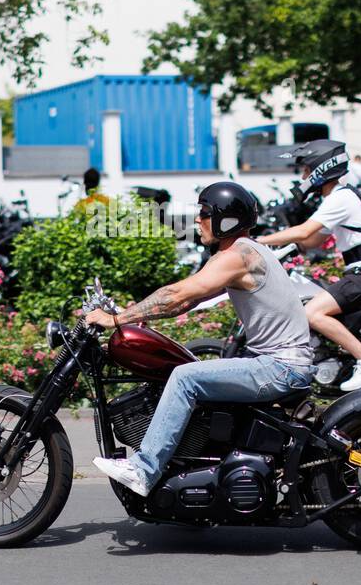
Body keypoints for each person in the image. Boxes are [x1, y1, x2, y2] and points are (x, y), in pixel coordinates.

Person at [85, 181, 317, 497]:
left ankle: (143, 470)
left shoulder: (239, 255)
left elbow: (177, 292)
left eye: (204, 213)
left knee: (184, 377)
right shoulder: (240, 253)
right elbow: (184, 302)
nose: (197, 220)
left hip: (279, 367)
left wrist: (114, 320)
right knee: (187, 372)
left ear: (227, 220)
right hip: (278, 363)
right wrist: (136, 315)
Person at [258, 140, 361, 391]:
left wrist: (256, 242)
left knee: (312, 313)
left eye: (306, 171)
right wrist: (286, 250)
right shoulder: (340, 197)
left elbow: (304, 231)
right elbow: (313, 240)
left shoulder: (340, 198)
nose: (303, 177)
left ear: (321, 168)